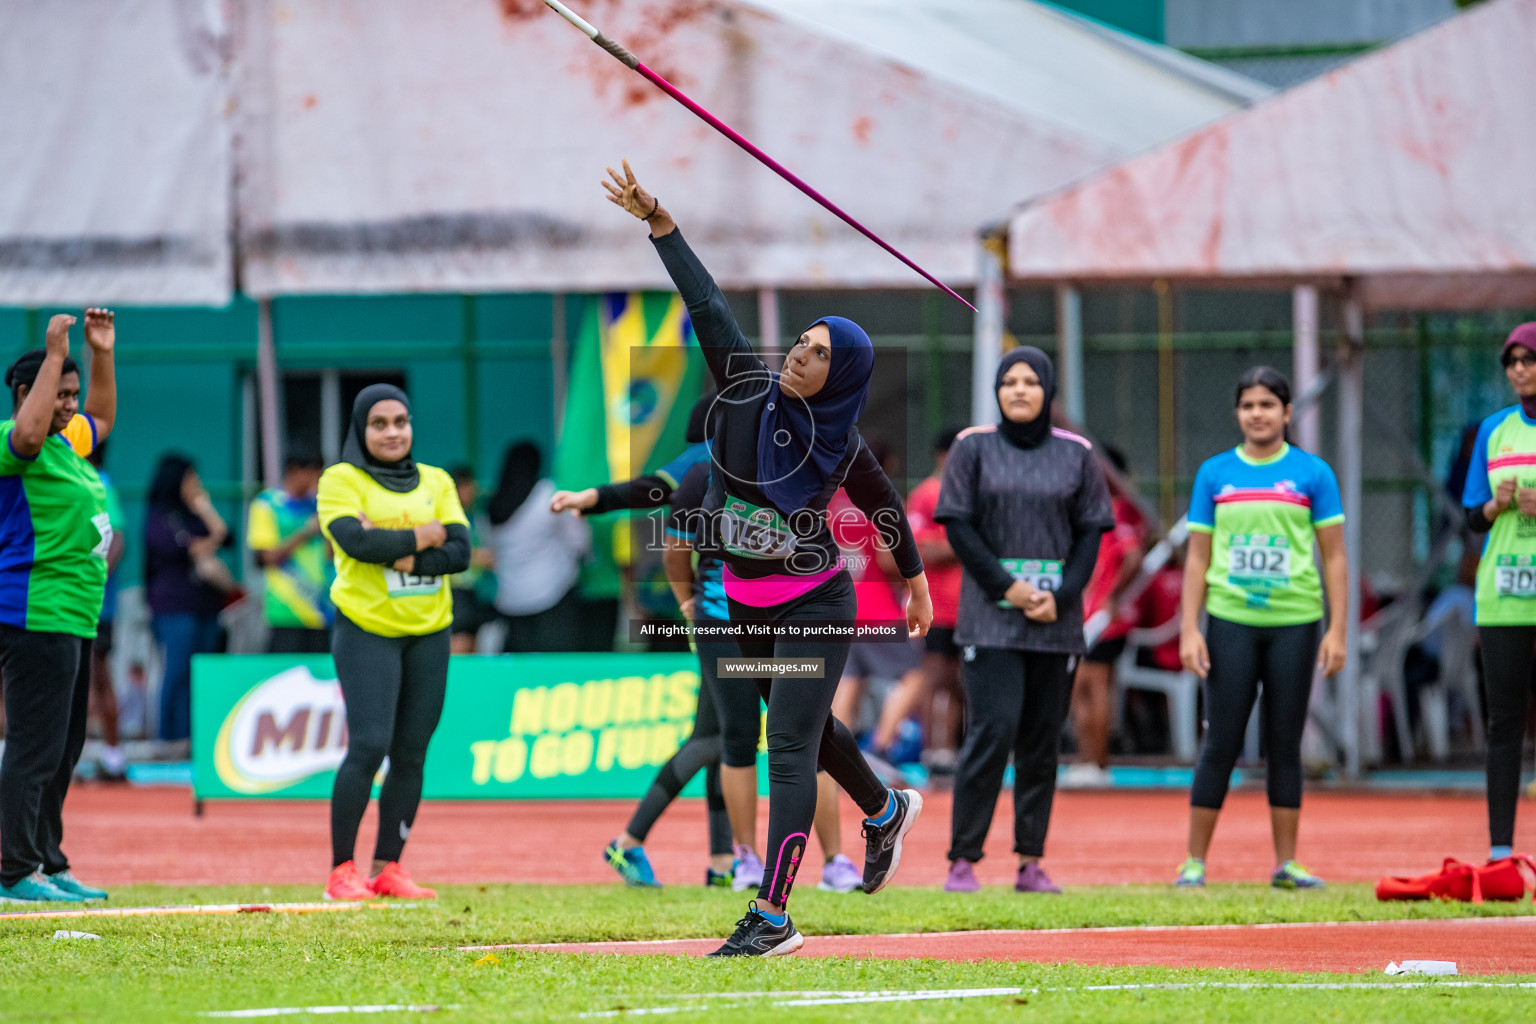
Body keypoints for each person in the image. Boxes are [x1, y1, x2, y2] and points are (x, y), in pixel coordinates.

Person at [605, 160, 931, 957]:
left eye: (817, 354)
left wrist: (915, 581)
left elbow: (886, 505)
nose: (798, 355)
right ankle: (886, 811)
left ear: (841, 375)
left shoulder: (838, 440)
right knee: (808, 734)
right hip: (746, 607)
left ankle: (774, 915)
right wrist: (662, 225)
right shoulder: (747, 387)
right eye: (801, 342)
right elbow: (707, 306)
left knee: (787, 746)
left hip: (815, 605)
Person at [935, 347, 1113, 895]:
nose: (1018, 390)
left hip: (1055, 622)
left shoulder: (1078, 455)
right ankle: (963, 860)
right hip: (989, 620)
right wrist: (1008, 588)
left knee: (1041, 741)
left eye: (1030, 381)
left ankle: (1030, 862)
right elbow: (958, 527)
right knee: (992, 731)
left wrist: (1060, 596)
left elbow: (1090, 534)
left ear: (1048, 392)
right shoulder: (972, 448)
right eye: (1008, 381)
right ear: (996, 390)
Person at [1176, 366, 1348, 890]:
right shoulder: (1214, 474)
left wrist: (1337, 630)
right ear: (1238, 413)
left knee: (1285, 741)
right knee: (1220, 741)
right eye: (1248, 405)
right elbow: (1197, 559)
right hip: (1230, 621)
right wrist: (1189, 628)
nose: (1257, 414)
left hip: (1296, 622)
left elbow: (1335, 557)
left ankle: (1286, 864)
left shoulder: (1313, 474)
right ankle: (1193, 863)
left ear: (1287, 413)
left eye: (1268, 405)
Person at [318, 384, 471, 901]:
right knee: (368, 746)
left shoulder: (437, 480)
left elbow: (462, 553)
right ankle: (342, 871)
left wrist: (400, 552)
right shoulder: (341, 480)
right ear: (361, 429)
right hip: (367, 629)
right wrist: (426, 535)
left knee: (411, 754)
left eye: (400, 422)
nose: (392, 432)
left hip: (430, 631)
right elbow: (356, 542)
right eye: (379, 423)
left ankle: (389, 868)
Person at [0, 309, 118, 902]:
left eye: (71, 393)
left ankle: (47, 859)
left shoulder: (67, 442)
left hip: (74, 613)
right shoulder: (12, 441)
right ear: (28, 393)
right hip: (34, 612)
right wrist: (52, 354)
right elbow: (26, 433)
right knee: (34, 745)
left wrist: (101, 352)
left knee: (65, 747)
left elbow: (102, 417)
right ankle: (14, 870)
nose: (70, 405)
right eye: (59, 393)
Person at [1462, 321, 1536, 863]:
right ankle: (1500, 850)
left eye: (1527, 359)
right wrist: (1493, 506)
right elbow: (1471, 516)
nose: (1519, 370)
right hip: (1504, 594)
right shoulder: (1493, 430)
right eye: (1511, 362)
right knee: (1504, 720)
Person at [1063, 446, 1147, 788]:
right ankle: (1091, 760)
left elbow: (1134, 557)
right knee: (1088, 687)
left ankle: (1095, 762)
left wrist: (1111, 597)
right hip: (1092, 615)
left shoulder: (1116, 512)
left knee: (1090, 686)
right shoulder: (1100, 511)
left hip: (1102, 620)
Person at [144, 454, 231, 745]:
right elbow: (182, 549)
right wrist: (209, 540)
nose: (196, 484)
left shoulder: (194, 514)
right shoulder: (159, 515)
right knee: (177, 670)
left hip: (206, 604)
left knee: (202, 673)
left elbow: (225, 536)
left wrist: (206, 509)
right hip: (173, 606)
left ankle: (198, 738)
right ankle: (170, 737)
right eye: (190, 478)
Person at [488, 442, 589, 653]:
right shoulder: (549, 493)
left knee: (522, 676)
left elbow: (491, 551)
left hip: (511, 600)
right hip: (554, 595)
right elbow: (580, 542)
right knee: (555, 675)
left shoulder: (492, 504)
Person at [906, 428, 965, 777]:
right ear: (943, 456)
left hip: (966, 607)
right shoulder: (926, 496)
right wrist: (963, 548)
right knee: (935, 677)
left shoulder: (967, 494)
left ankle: (950, 749)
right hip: (936, 605)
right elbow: (922, 549)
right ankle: (933, 749)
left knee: (958, 679)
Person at [248, 453, 334, 654]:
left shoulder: (320, 504)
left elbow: (331, 557)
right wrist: (306, 531)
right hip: (285, 610)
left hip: (321, 609)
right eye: (313, 473)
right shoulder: (267, 504)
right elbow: (268, 557)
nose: (317, 479)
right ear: (293, 470)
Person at [85, 440, 127, 782]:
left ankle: (114, 756)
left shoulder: (99, 483)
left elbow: (116, 539)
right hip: (67, 601)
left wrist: (93, 581)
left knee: (97, 675)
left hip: (92, 603)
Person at [446, 466, 496, 654]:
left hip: (478, 592)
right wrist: (475, 556)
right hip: (455, 593)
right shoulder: (443, 517)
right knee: (459, 648)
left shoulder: (476, 516)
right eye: (467, 486)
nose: (472, 490)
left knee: (477, 648)